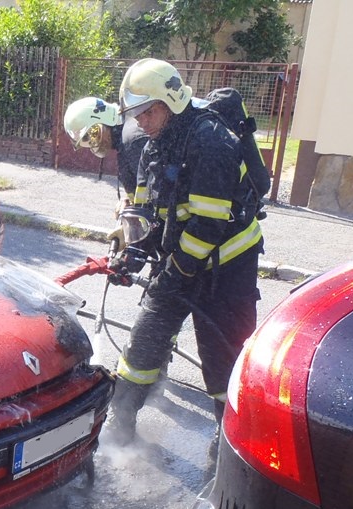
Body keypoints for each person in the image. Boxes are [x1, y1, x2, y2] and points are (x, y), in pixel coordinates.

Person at [103, 58, 264, 456]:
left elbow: (208, 226)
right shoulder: (152, 146)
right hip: (182, 260)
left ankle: (228, 439)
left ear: (169, 101)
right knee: (145, 339)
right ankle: (119, 426)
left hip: (228, 267)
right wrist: (132, 251)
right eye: (135, 115)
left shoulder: (212, 142)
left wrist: (173, 271)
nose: (139, 122)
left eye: (146, 112)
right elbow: (145, 213)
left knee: (221, 353)